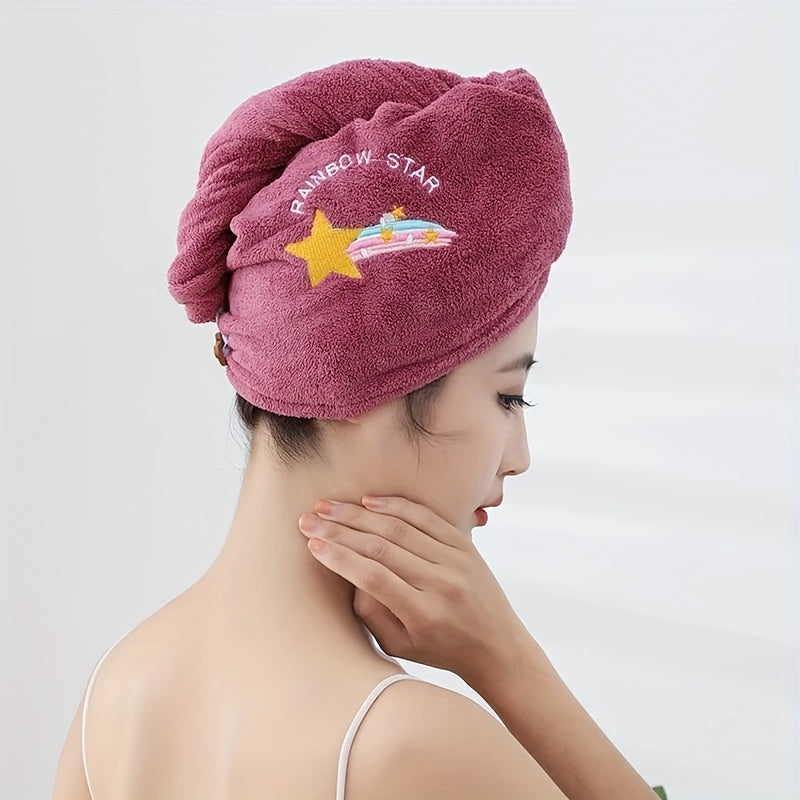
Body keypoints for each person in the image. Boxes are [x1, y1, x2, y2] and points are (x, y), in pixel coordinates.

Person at [52, 58, 663, 800]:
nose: (520, 458)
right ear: (365, 388)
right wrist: (509, 664)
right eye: (509, 398)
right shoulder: (415, 746)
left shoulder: (113, 695)